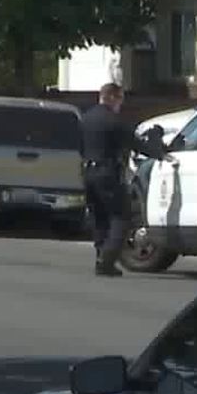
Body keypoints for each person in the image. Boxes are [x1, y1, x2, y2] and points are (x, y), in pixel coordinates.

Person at [80, 83, 169, 276]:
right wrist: (160, 154)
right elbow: (136, 144)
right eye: (120, 99)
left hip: (88, 172)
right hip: (107, 173)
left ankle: (100, 258)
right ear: (112, 97)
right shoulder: (113, 121)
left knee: (99, 217)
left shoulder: (85, 119)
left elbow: (79, 146)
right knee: (121, 216)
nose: (121, 104)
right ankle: (107, 259)